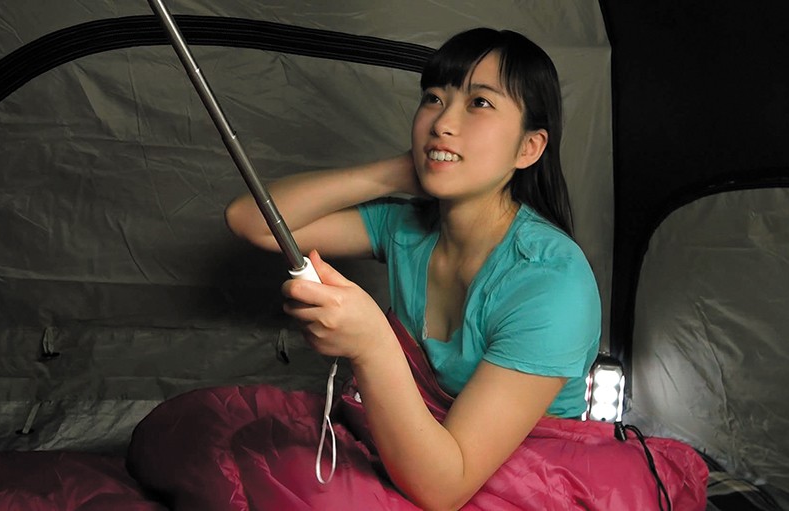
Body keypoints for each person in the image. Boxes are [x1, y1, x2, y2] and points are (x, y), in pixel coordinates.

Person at [225, 27, 601, 511]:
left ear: (528, 148)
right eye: (433, 98)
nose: (442, 122)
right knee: (209, 436)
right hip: (415, 455)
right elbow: (250, 221)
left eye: (479, 103)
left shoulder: (552, 281)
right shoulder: (406, 226)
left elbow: (444, 489)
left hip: (522, 483)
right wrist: (394, 172)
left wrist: (371, 343)